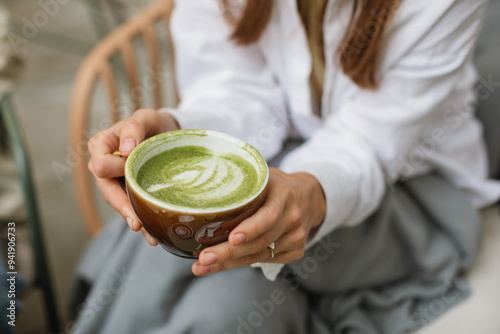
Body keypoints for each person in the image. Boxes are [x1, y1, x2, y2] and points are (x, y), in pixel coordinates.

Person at [72, 0, 500, 333]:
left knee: (215, 307)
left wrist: (308, 197)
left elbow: (369, 144)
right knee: (225, 308)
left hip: (411, 191)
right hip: (282, 157)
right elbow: (237, 88)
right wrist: (175, 128)